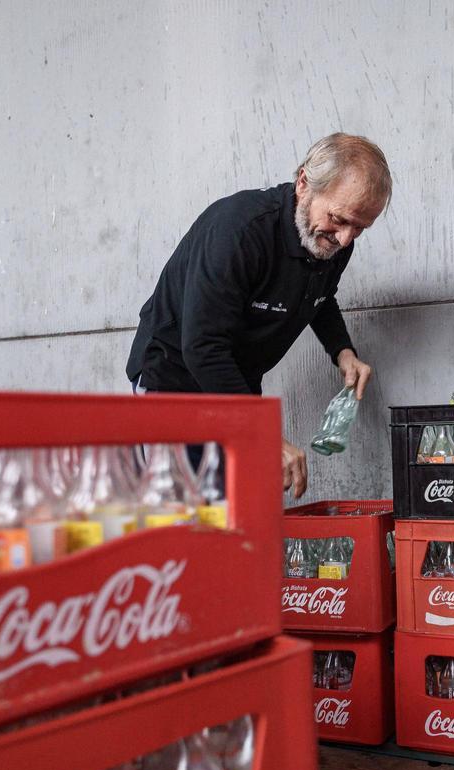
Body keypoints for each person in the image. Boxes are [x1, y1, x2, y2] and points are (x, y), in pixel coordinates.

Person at [126, 133, 391, 498]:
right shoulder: (238, 231)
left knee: (239, 515)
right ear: (303, 183)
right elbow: (202, 347)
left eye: (360, 228)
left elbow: (319, 296)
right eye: (339, 219)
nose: (346, 239)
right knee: (183, 522)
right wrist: (265, 436)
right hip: (174, 383)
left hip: (235, 383)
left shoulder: (330, 241)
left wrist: (343, 351)